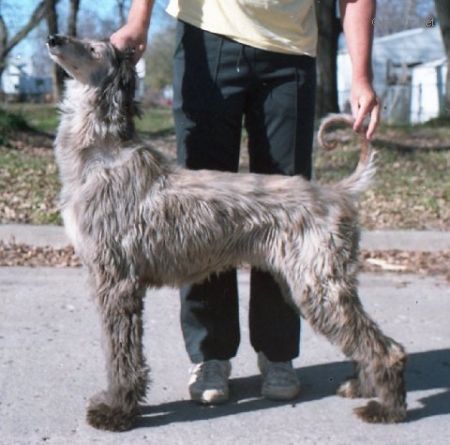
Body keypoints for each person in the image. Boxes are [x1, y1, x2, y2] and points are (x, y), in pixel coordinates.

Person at [111, 0, 380, 405]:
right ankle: (210, 355)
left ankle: (277, 353)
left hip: (290, 49)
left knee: (287, 212)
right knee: (200, 211)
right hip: (208, 34)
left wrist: (361, 76)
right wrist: (138, 20)